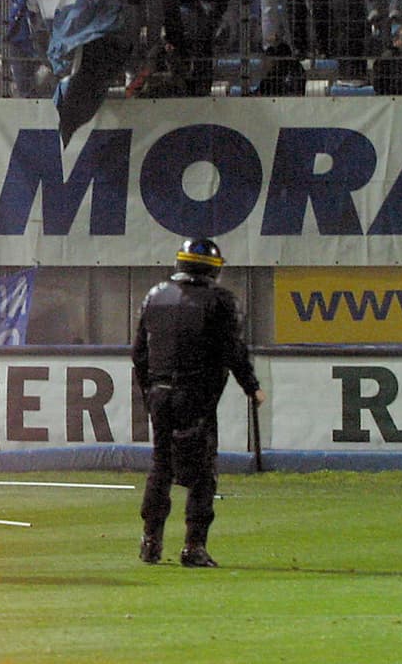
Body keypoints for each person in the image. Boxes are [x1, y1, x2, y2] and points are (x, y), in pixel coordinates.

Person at [132, 238, 265, 568]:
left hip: (160, 393)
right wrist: (252, 387)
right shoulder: (219, 301)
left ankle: (151, 541)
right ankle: (194, 546)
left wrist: (149, 393)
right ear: (212, 269)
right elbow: (232, 350)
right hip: (196, 395)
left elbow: (139, 354)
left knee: (161, 466)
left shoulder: (154, 296)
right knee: (203, 471)